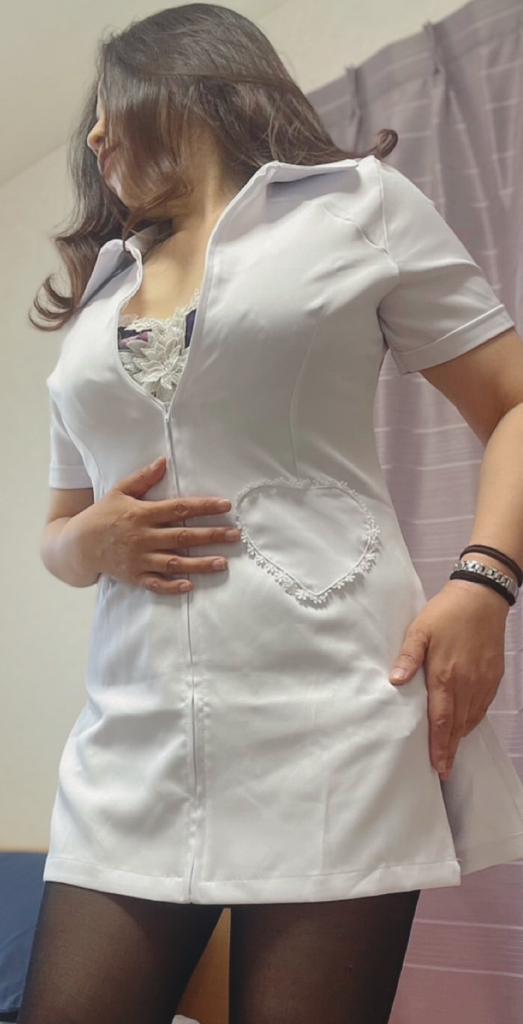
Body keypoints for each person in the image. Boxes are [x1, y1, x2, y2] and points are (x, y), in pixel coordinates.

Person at [20, 4, 523, 1023]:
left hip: (336, 711)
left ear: (186, 80)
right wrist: (92, 542)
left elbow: (512, 402)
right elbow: (58, 534)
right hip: (131, 734)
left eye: (109, 106)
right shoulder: (98, 298)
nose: (95, 136)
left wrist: (485, 581)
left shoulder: (355, 206)